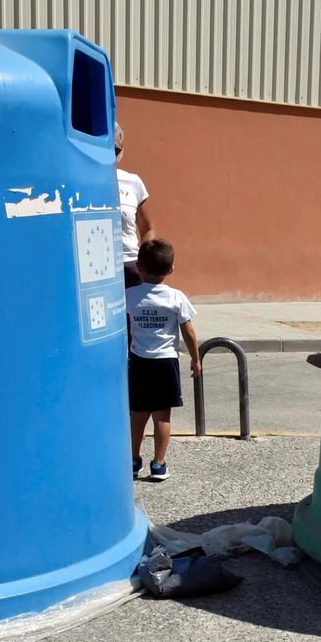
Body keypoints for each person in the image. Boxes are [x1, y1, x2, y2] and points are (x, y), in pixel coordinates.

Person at [126, 239, 198, 481]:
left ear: (139, 267)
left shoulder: (129, 296)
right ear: (171, 269)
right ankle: (158, 464)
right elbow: (189, 331)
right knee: (162, 416)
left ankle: (133, 461)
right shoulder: (176, 297)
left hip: (138, 361)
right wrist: (196, 360)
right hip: (166, 362)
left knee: (137, 415)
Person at [115, 123, 156, 287]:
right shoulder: (81, 181)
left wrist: (145, 264)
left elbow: (147, 229)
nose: (111, 155)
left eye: (116, 150)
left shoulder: (133, 182)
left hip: (129, 266)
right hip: (95, 266)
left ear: (122, 150)